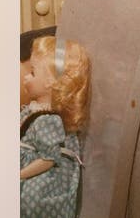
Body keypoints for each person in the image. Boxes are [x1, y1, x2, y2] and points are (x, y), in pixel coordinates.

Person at [20, 36, 90, 218]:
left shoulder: (48, 120)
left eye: (33, 73)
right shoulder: (35, 109)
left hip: (36, 178)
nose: (26, 77)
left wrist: (20, 174)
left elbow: (48, 159)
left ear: (50, 81)